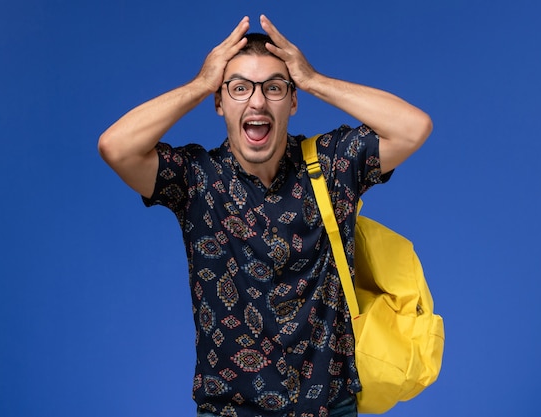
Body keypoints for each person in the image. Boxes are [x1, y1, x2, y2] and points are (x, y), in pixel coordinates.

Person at [98, 15, 432, 417]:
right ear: (220, 103)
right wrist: (202, 83)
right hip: (229, 411)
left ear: (292, 100)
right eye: (239, 88)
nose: (257, 102)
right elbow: (116, 147)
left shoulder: (329, 165)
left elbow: (413, 128)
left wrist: (311, 79)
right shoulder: (197, 179)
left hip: (329, 407)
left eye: (273, 87)